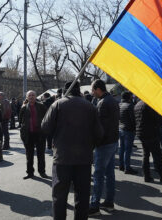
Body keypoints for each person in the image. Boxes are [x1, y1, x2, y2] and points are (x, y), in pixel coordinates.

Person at [42, 81, 103, 220]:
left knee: (59, 196)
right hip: (84, 158)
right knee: (82, 196)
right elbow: (99, 133)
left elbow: (45, 127)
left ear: (66, 91)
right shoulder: (90, 106)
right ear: (79, 90)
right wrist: (90, 146)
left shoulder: (57, 104)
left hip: (62, 157)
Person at [89, 79, 120, 216]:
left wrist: (94, 143)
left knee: (98, 175)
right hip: (112, 141)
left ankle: (95, 206)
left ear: (97, 89)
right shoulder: (112, 101)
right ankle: (109, 202)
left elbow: (100, 128)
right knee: (109, 174)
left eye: (92, 90)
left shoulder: (103, 103)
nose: (91, 92)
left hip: (104, 144)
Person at [134, 100, 162, 183]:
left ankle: (147, 176)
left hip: (141, 132)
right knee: (157, 155)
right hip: (151, 132)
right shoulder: (150, 104)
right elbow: (157, 118)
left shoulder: (137, 104)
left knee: (146, 155)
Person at [19, 90, 48, 180]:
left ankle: (42, 171)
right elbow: (21, 120)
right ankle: (30, 172)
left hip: (39, 134)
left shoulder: (41, 106)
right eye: (29, 95)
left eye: (33, 95)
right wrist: (23, 132)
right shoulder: (24, 107)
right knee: (29, 155)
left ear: (36, 97)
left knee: (41, 154)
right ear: (27, 97)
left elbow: (46, 118)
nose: (31, 97)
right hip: (28, 135)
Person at [118, 91, 137, 174]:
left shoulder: (119, 105)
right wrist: (135, 128)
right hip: (129, 130)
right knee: (128, 150)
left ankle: (121, 165)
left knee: (122, 148)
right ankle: (127, 167)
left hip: (121, 128)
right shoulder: (130, 106)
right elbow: (133, 119)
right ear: (128, 97)